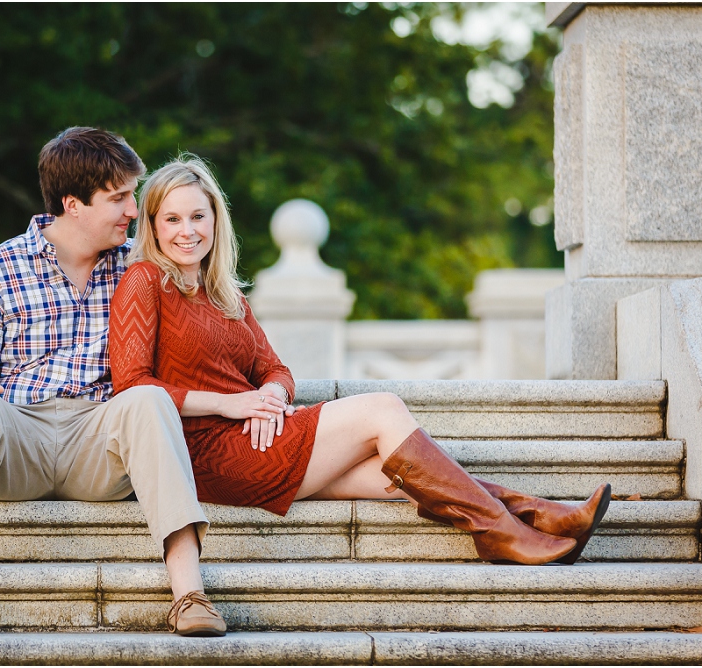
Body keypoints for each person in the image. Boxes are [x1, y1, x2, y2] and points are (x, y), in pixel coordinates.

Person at [109, 156, 611, 570]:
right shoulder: (145, 282)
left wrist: (271, 397)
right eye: (172, 219)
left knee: (393, 474)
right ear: (153, 225)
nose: (187, 231)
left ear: (216, 219)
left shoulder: (226, 296)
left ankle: (541, 517)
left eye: (198, 216)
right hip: (199, 453)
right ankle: (501, 533)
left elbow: (277, 370)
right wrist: (233, 405)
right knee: (381, 410)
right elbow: (132, 387)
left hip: (254, 436)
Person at [0, 129, 226, 639]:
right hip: (18, 443)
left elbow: (213, 323)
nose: (134, 211)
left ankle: (190, 596)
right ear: (73, 204)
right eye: (119, 198)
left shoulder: (143, 266)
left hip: (101, 443)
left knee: (149, 398)